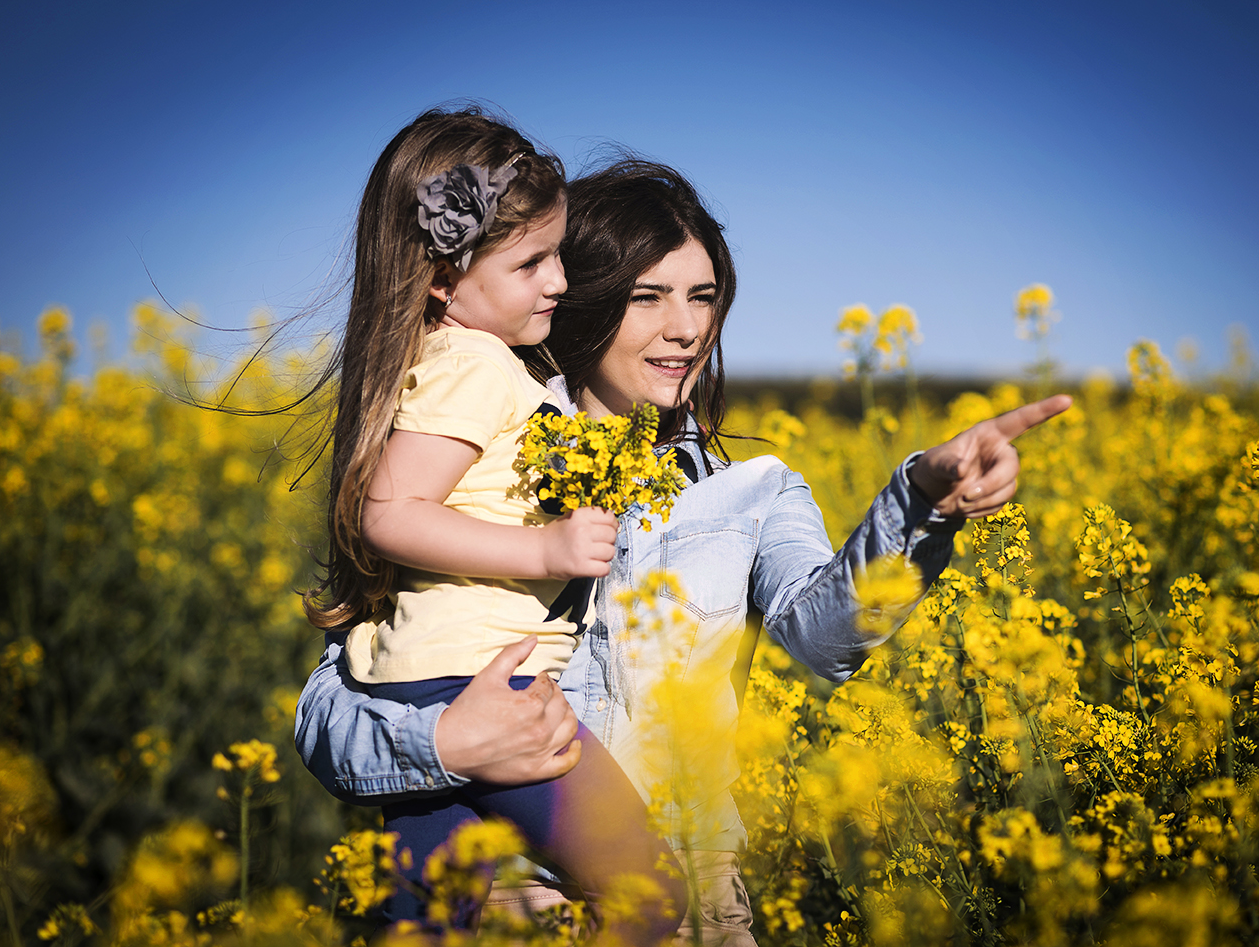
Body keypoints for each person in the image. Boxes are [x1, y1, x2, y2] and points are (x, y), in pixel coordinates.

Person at [296, 158, 1071, 945]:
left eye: (703, 297)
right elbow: (329, 715)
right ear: (580, 297)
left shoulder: (755, 492)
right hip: (509, 904)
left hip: (690, 906)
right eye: (649, 297)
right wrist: (443, 744)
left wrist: (923, 500)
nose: (687, 328)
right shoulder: (472, 470)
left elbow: (824, 641)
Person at [304, 110, 685, 940]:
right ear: (444, 277)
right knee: (651, 899)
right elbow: (389, 513)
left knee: (427, 925)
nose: (559, 282)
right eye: (530, 262)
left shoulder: (456, 360)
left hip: (430, 683)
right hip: (481, 683)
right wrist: (544, 549)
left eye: (557, 255)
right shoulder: (477, 366)